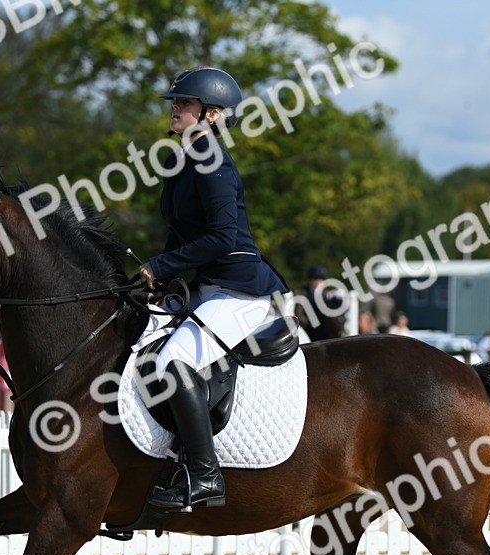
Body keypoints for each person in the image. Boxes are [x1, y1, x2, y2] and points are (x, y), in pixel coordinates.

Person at [138, 66, 290, 511]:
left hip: (241, 290)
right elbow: (182, 233)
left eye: (185, 103)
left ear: (212, 115)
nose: (176, 108)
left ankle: (204, 476)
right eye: (176, 102)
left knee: (175, 359)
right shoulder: (183, 159)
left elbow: (223, 237)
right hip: (210, 287)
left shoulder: (214, 160)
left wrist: (162, 265)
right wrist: (155, 278)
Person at [295, 265, 347, 341]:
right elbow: (299, 313)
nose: (317, 283)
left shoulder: (327, 295)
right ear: (310, 280)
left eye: (320, 280)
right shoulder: (302, 294)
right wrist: (311, 324)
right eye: (315, 279)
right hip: (307, 331)